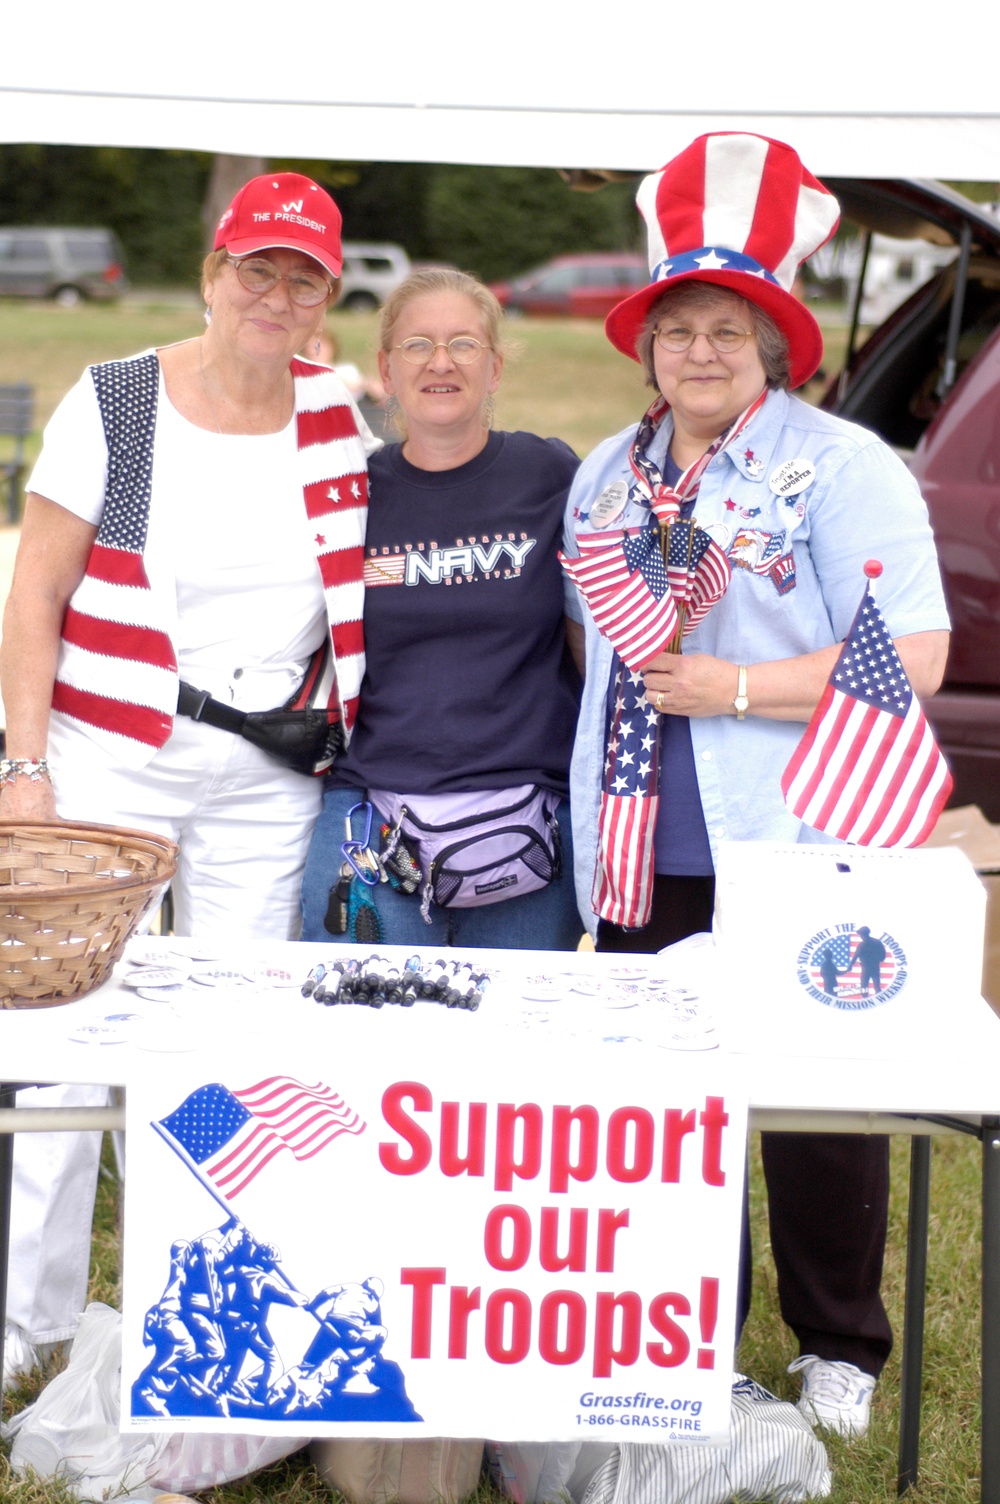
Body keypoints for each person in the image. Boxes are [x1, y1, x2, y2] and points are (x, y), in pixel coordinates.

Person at [563, 133, 950, 1437]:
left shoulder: (842, 467)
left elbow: (916, 653)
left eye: (728, 329)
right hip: (643, 845)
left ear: (772, 344)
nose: (700, 352)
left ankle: (840, 1344)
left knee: (814, 1097)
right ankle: (692, 1332)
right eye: (677, 329)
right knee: (672, 1105)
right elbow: (593, 655)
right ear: (646, 346)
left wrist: (736, 687)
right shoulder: (606, 476)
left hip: (797, 833)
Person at [0, 171, 379, 1387]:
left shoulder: (336, 417)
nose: (275, 296)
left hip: (266, 772)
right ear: (214, 273)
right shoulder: (117, 400)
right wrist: (24, 768)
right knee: (66, 1032)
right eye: (255, 269)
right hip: (112, 751)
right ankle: (30, 1322)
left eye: (303, 279)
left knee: (230, 1034)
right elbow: (34, 594)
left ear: (326, 299)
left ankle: (198, 1303)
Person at [301, 268, 582, 950]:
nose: (440, 362)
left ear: (495, 368)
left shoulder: (550, 474)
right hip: (374, 810)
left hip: (529, 815)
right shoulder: (351, 494)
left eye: (463, 343)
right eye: (418, 345)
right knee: (356, 1011)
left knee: (514, 1019)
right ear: (385, 371)